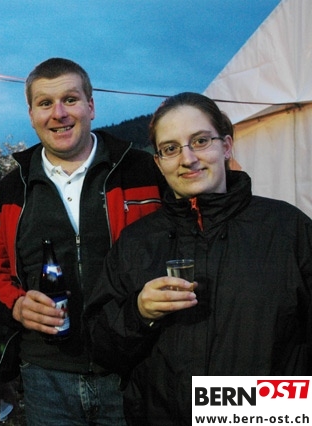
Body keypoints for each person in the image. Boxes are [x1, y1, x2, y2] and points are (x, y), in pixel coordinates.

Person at [84, 92, 312, 425]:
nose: (187, 159)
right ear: (159, 163)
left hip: (263, 417)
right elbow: (101, 349)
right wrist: (139, 312)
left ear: (227, 146)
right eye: (170, 148)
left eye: (201, 141)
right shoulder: (136, 242)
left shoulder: (287, 229)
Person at [0, 57, 165, 426]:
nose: (59, 113)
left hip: (135, 366)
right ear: (31, 115)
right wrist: (16, 304)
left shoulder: (142, 171)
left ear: (91, 106)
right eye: (45, 103)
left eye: (70, 99)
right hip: (46, 378)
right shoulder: (13, 189)